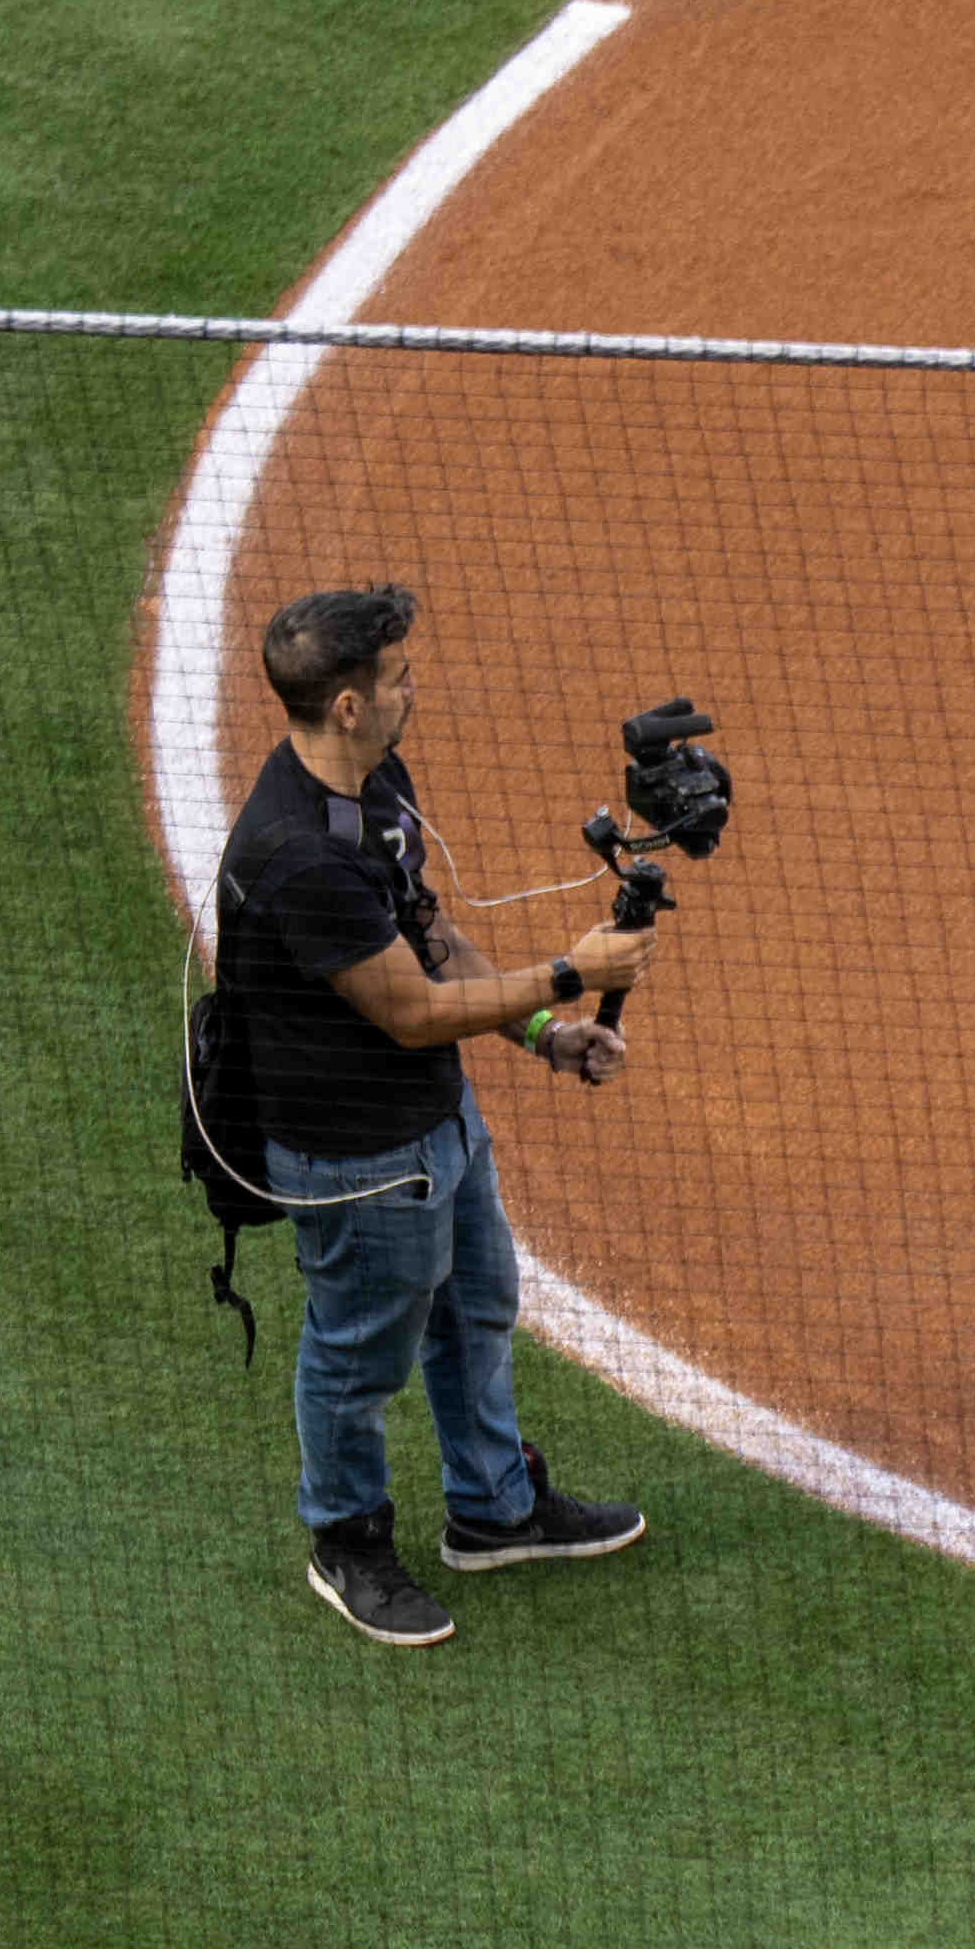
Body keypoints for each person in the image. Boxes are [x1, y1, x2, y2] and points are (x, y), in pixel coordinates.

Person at [212, 579, 655, 1646]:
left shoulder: (375, 780)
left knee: (475, 1308)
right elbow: (410, 1011)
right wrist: (564, 973)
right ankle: (346, 1538)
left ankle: (493, 1509)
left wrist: (544, 1039)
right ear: (348, 705)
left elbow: (428, 935)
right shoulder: (295, 852)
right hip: (355, 1160)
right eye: (398, 679)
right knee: (359, 1350)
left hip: (435, 1125)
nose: (416, 689)